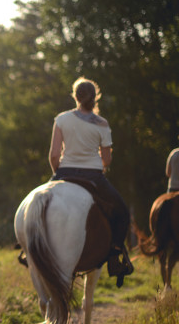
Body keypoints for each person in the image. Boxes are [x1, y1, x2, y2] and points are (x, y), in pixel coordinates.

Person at [48, 77, 133, 279]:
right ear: (95, 98)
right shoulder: (102, 123)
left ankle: (28, 251)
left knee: (39, 206)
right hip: (93, 176)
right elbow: (107, 159)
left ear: (75, 96)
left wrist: (57, 173)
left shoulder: (61, 119)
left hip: (64, 172)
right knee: (121, 212)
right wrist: (100, 165)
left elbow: (53, 155)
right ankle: (114, 258)